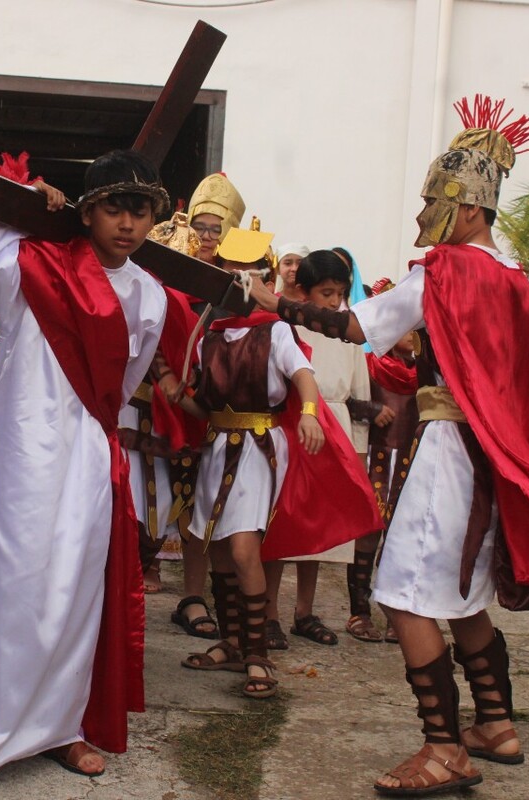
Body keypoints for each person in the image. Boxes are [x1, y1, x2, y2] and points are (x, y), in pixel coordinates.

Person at [248, 95, 529, 797]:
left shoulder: (444, 273)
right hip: (492, 458)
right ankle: (496, 725)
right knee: (462, 596)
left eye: (432, 201)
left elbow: (356, 326)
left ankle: (444, 750)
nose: (422, 216)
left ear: (469, 209)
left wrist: (275, 304)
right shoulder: (518, 286)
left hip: (448, 452)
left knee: (408, 596)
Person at [0, 150, 168, 799]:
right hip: (11, 457)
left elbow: (126, 383)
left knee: (70, 596)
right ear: (86, 210)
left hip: (85, 455)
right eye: (114, 208)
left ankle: (60, 727)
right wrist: (22, 201)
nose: (127, 224)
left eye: (141, 211)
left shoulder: (151, 294)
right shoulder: (31, 264)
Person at [178, 226, 380, 700]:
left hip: (257, 447)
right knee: (221, 551)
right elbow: (203, 405)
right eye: (230, 270)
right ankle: (231, 642)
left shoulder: (276, 330)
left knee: (246, 548)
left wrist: (309, 414)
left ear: (264, 278)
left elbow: (304, 377)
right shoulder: (209, 333)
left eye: (248, 272)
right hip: (218, 446)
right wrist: (175, 396)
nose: (238, 279)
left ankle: (257, 652)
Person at [263, 249, 375, 649]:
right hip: (299, 425)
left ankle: (304, 612)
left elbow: (360, 394)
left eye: (340, 293)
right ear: (304, 291)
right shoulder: (287, 326)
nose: (333, 302)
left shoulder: (347, 332)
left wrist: (357, 455)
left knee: (320, 528)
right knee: (284, 520)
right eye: (326, 293)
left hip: (338, 427)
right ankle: (269, 613)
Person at [169, 171, 247, 640]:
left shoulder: (239, 283)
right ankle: (171, 591)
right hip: (170, 400)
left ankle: (209, 598)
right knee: (167, 500)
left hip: (219, 410)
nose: (205, 235)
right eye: (199, 225)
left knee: (210, 504)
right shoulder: (170, 270)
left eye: (216, 228)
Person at [352, 280, 419, 643]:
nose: (411, 334)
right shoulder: (370, 365)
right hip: (376, 457)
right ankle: (359, 611)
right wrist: (372, 409)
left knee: (401, 537)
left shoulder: (424, 372)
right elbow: (349, 399)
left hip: (411, 461)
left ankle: (396, 614)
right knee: (369, 532)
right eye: (405, 327)